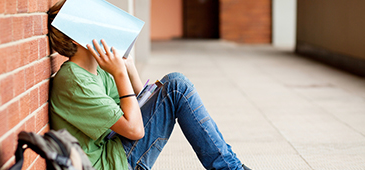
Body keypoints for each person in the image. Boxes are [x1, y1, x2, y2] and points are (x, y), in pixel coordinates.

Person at [48, 1, 251, 170]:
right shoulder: (75, 81)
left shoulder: (97, 70)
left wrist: (130, 69)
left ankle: (231, 167)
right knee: (176, 87)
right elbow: (135, 129)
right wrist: (119, 74)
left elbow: (138, 106)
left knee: (173, 85)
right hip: (111, 164)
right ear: (76, 36)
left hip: (114, 149)